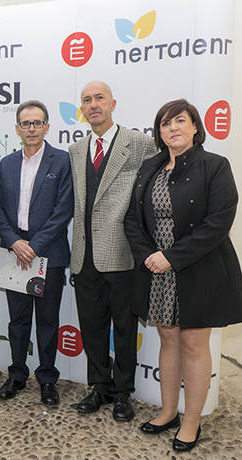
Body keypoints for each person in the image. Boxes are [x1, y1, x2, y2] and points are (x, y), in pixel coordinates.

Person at [124, 99, 242, 452]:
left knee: (194, 344)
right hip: (156, 270)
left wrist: (171, 258)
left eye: (180, 120)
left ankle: (191, 421)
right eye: (165, 123)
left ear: (195, 127)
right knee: (168, 339)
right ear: (159, 133)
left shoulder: (215, 166)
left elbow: (219, 222)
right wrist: (149, 256)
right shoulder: (150, 167)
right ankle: (167, 412)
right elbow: (132, 218)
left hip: (198, 268)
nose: (173, 128)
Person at [68, 81, 156, 421]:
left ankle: (123, 394)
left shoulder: (138, 143)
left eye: (99, 98)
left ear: (112, 103)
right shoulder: (77, 150)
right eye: (87, 100)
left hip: (121, 253)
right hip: (84, 254)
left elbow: (155, 185)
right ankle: (99, 386)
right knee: (91, 326)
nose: (93, 105)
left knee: (123, 328)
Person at [0, 100, 73, 405]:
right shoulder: (8, 163)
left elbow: (64, 210)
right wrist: (15, 242)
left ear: (47, 127)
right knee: (18, 320)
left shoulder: (61, 161)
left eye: (37, 123)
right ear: (17, 129)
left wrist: (34, 247)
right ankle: (17, 375)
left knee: (48, 320)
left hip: (48, 252)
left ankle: (48, 378)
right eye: (26, 123)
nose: (31, 128)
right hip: (14, 250)